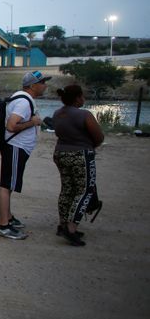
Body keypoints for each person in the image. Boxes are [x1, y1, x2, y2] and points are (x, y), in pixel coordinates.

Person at [0, 70, 50, 240]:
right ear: (32, 85)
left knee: (9, 184)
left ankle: (9, 217)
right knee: (6, 185)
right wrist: (32, 123)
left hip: (17, 148)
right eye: (42, 82)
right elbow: (11, 126)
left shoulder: (23, 99)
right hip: (15, 147)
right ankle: (4, 225)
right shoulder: (23, 102)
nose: (45, 85)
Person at [52, 85, 105, 247]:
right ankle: (72, 228)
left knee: (67, 189)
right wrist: (89, 146)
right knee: (84, 190)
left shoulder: (57, 114)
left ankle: (62, 224)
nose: (84, 99)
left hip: (61, 152)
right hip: (81, 154)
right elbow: (99, 137)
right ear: (77, 98)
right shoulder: (84, 115)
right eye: (82, 96)